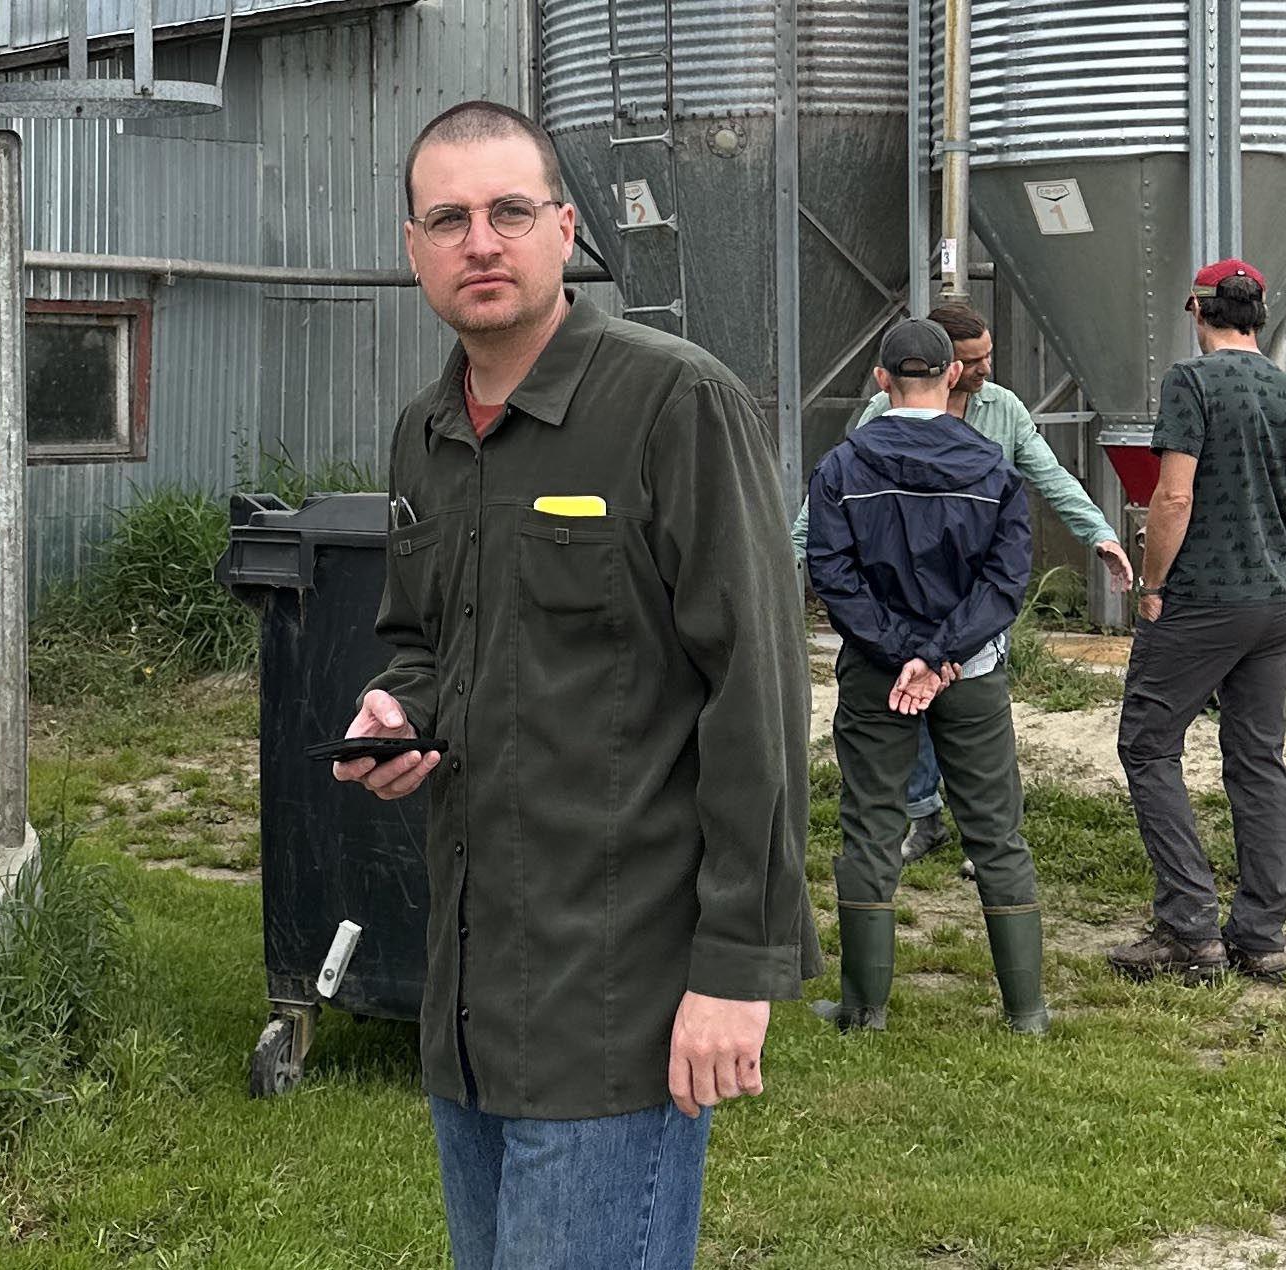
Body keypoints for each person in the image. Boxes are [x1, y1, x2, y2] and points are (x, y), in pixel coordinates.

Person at [329, 100, 816, 1270]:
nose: (478, 243)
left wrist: (734, 972)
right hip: (468, 998)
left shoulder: (671, 405)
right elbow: (423, 639)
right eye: (446, 219)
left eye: (507, 211)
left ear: (562, 229)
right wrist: (403, 710)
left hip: (616, 1000)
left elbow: (756, 693)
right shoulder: (425, 434)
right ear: (412, 250)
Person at [794, 303, 1135, 866]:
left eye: (988, 357)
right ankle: (923, 815)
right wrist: (786, 558)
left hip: (967, 603)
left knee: (960, 714)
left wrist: (1100, 533)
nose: (984, 370)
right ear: (946, 366)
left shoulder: (1003, 409)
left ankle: (981, 835)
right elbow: (832, 503)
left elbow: (1050, 477)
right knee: (912, 702)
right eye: (973, 360)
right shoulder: (883, 412)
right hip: (897, 599)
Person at [804, 318, 1048, 1035]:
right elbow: (1005, 582)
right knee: (996, 833)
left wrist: (898, 650)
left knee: (871, 827)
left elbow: (832, 574)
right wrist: (943, 656)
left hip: (877, 675)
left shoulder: (842, 468)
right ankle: (1025, 1011)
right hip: (969, 673)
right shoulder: (993, 469)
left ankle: (861, 1008)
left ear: (881, 381)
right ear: (952, 378)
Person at [1105, 260, 1286, 984]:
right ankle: (1261, 937)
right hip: (1275, 602)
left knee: (1148, 743)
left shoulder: (1191, 383)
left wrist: (1153, 584)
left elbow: (1173, 499)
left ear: (1197, 311)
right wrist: (1279, 570)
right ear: (1259, 315)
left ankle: (1188, 925)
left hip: (1203, 597)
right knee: (1259, 763)